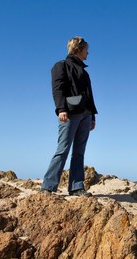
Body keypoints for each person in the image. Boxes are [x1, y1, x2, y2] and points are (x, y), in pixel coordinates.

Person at [41, 36, 98, 196]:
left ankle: (76, 187)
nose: (88, 53)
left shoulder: (85, 73)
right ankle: (48, 186)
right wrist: (61, 109)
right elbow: (57, 89)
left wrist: (93, 116)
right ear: (79, 49)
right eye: (86, 49)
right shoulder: (61, 66)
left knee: (79, 152)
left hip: (86, 115)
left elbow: (90, 95)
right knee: (63, 149)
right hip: (70, 113)